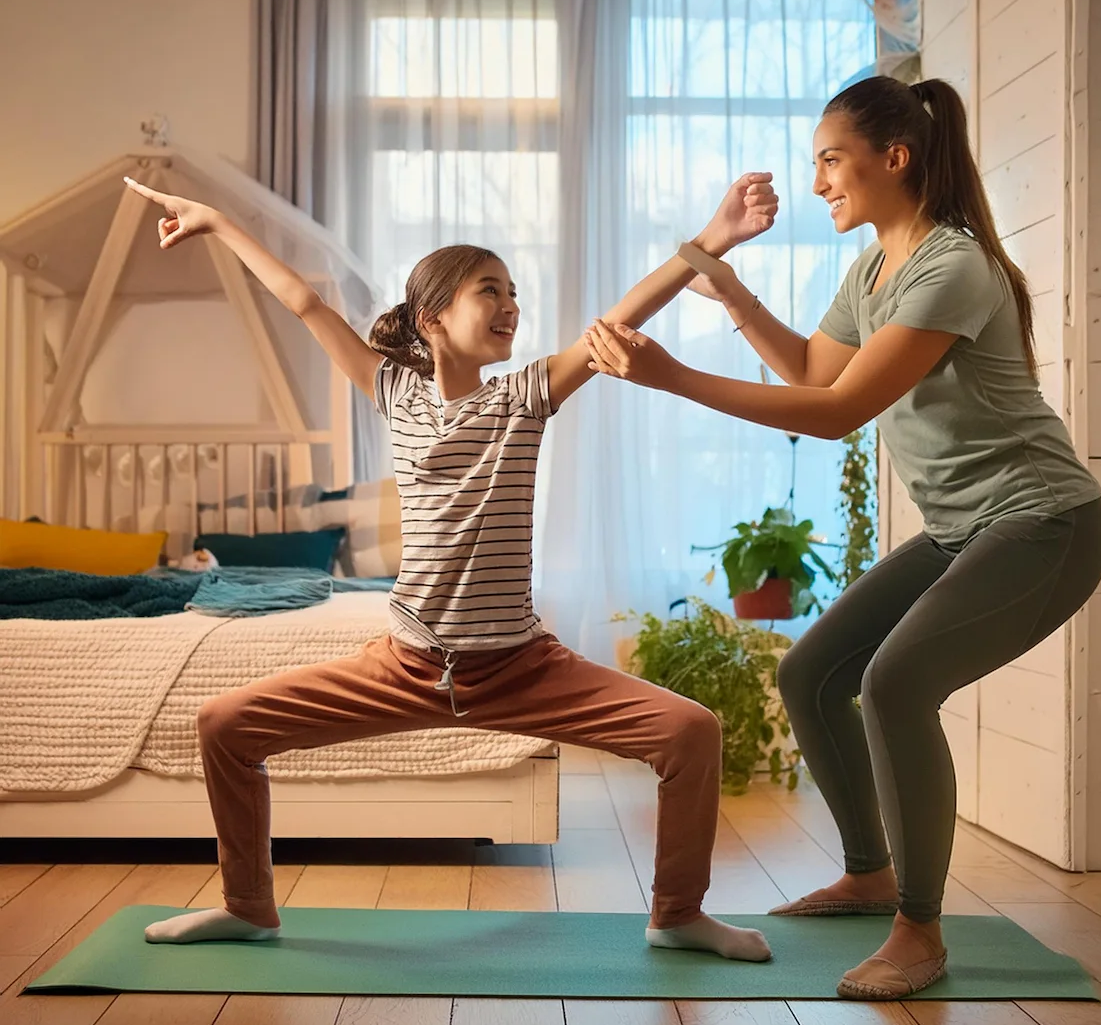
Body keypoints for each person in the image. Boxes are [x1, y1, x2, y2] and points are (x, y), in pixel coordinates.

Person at [122, 168, 780, 963]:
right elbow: (303, 303)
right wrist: (218, 222)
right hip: (404, 662)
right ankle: (247, 906)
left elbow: (619, 317)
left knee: (690, 731)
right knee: (225, 724)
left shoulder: (524, 395)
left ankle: (677, 914)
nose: (510, 306)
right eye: (488, 291)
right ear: (432, 320)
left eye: (512, 293)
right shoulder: (392, 391)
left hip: (521, 666)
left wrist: (711, 242)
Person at [583, 75, 1101, 999]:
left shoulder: (952, 264)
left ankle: (920, 927)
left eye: (831, 160)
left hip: (1043, 522)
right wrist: (729, 285)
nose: (820, 181)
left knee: (896, 682)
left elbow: (837, 414)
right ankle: (867, 874)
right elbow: (812, 370)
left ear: (893, 157)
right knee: (809, 670)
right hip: (961, 528)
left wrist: (671, 378)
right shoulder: (871, 270)